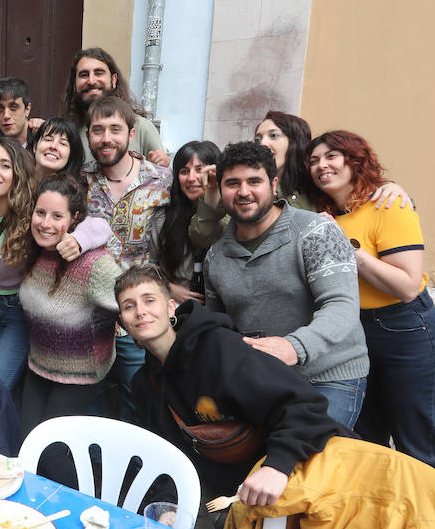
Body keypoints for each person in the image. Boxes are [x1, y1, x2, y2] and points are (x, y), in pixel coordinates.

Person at [117, 265, 347, 529]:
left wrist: (277, 466)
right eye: (129, 306)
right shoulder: (145, 383)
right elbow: (166, 453)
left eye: (149, 300)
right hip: (229, 490)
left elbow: (303, 404)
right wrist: (169, 503)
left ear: (170, 308)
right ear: (122, 322)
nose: (141, 311)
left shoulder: (218, 348)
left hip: (296, 471)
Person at [203, 141, 369, 428]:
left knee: (310, 467)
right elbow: (221, 327)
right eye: (232, 183)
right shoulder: (215, 257)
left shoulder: (316, 231)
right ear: (221, 189)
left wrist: (295, 347)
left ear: (273, 184)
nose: (244, 192)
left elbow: (341, 305)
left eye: (254, 181)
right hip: (262, 380)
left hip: (329, 377)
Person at [308, 130, 435, 471]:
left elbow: (408, 286)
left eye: (331, 156)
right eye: (313, 161)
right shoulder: (326, 216)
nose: (321, 166)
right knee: (368, 441)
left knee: (414, 441)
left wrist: (349, 248)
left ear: (355, 160)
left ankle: (429, 522)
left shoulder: (388, 205)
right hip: (355, 333)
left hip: (405, 327)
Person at [191, 110, 409, 248]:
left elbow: (360, 197)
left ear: (295, 142)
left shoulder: (316, 183)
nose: (263, 143)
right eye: (258, 138)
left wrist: (390, 187)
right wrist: (210, 196)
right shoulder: (248, 191)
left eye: (273, 136)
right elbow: (204, 238)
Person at [80, 95, 172, 419]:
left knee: (139, 399)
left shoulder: (161, 180)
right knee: (92, 402)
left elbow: (179, 237)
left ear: (131, 135)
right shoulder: (81, 180)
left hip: (138, 315)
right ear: (89, 135)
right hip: (92, 315)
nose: (106, 138)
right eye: (98, 130)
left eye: (115, 129)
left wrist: (175, 286)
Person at [18, 174, 122, 435]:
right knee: (28, 441)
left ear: (75, 218)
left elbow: (130, 302)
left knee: (53, 452)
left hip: (79, 376)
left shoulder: (94, 264)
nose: (45, 223)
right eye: (40, 213)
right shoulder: (36, 251)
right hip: (39, 366)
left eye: (56, 216)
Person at [61, 47, 169, 167]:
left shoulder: (142, 128)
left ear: (113, 80)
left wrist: (162, 163)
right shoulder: (66, 133)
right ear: (74, 84)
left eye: (99, 73)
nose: (91, 81)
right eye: (84, 75)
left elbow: (162, 176)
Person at [157, 140, 219, 305]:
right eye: (184, 171)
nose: (191, 178)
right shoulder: (164, 217)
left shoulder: (231, 214)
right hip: (175, 307)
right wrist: (168, 287)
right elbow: (150, 263)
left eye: (199, 170)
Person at [0, 77, 35, 147]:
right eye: (0, 108)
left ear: (27, 109)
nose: (6, 116)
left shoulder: (42, 145)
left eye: (13, 107)